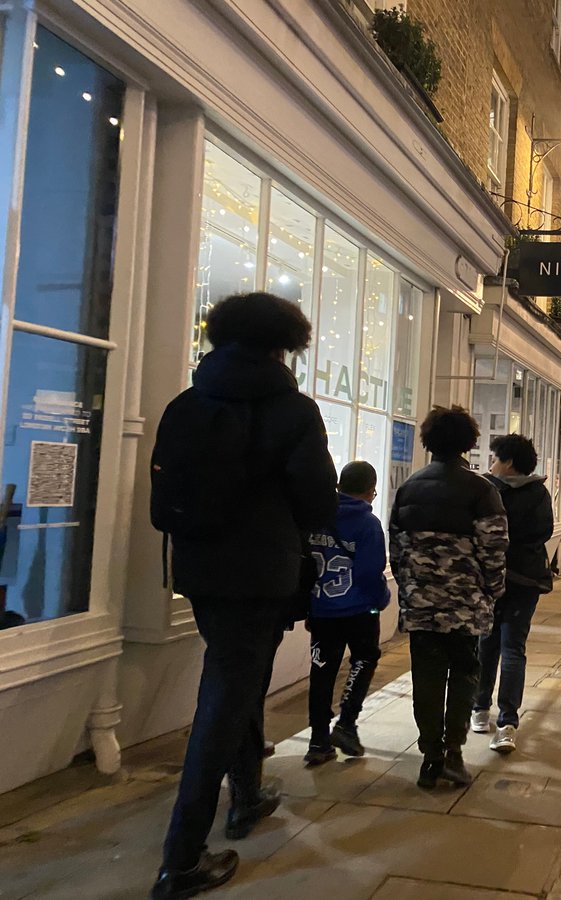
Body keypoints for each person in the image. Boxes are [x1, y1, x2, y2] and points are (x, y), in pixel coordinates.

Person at [149, 293, 338, 899]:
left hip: (200, 570)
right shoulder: (294, 410)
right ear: (284, 346)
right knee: (224, 699)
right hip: (262, 574)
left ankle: (248, 795)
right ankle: (181, 861)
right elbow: (318, 500)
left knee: (238, 680)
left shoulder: (185, 404)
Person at [390, 406, 508, 789]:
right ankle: (454, 753)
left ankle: (430, 757)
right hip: (465, 606)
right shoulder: (482, 490)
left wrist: (410, 591)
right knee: (464, 674)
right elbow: (494, 550)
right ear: (469, 442)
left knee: (426, 679)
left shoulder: (409, 487)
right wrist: (493, 591)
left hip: (421, 605)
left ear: (428, 441)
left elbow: (397, 551)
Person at [472, 434, 554, 755]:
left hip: (492, 578)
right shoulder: (538, 493)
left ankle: (481, 708)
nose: (492, 463)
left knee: (487, 643)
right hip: (526, 581)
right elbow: (544, 531)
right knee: (513, 648)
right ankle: (507, 722)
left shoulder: (488, 490)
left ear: (507, 462)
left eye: (495, 458)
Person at [304, 461, 390, 766]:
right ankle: (346, 722)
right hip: (359, 609)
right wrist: (381, 598)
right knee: (364, 659)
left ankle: (317, 740)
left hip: (322, 608)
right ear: (370, 490)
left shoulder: (317, 518)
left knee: (321, 670)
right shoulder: (368, 524)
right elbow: (369, 572)